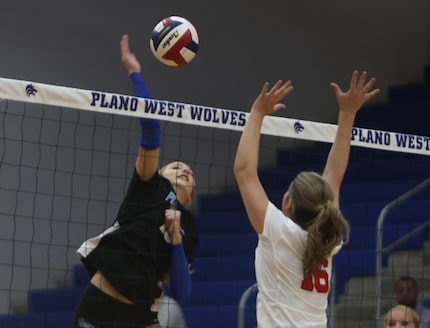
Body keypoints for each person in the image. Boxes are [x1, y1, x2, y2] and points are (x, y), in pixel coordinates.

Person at [234, 71, 380, 327]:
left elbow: (244, 171)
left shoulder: (281, 232)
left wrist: (257, 112)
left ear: (288, 204)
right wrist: (348, 114)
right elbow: (333, 176)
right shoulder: (327, 238)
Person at [72, 34, 198, 328]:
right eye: (177, 165)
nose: (185, 170)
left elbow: (182, 291)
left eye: (191, 173)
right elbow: (151, 127)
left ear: (190, 197)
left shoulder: (189, 227)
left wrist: (177, 239)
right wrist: (134, 72)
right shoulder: (148, 187)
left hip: (142, 315)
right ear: (161, 172)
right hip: (100, 305)